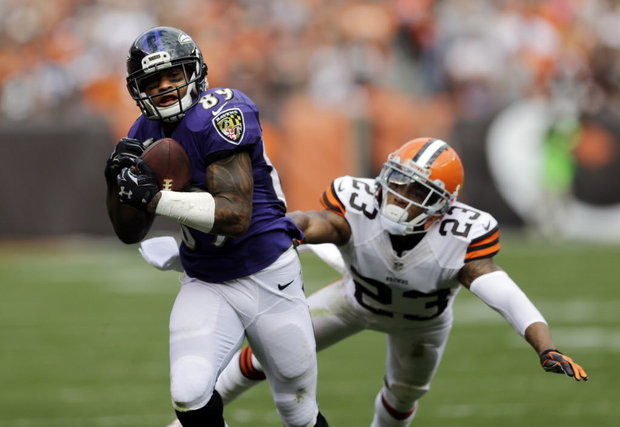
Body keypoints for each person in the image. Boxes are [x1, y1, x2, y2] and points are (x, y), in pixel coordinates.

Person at [207, 137, 588, 426]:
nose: (401, 196)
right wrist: (284, 229)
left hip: (420, 327)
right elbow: (315, 221)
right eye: (399, 181)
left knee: (401, 400)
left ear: (443, 204)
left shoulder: (460, 235)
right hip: (353, 302)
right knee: (270, 350)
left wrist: (545, 347)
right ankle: (192, 419)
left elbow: (504, 294)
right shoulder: (359, 204)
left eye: (418, 191)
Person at [104, 26, 328, 427]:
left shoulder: (221, 112)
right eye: (153, 81)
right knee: (189, 394)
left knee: (297, 408)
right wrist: (117, 185)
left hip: (268, 273)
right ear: (138, 89)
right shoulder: (142, 133)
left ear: (195, 72)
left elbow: (235, 215)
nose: (164, 86)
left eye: (173, 74)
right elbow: (128, 232)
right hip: (206, 277)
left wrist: (153, 197)